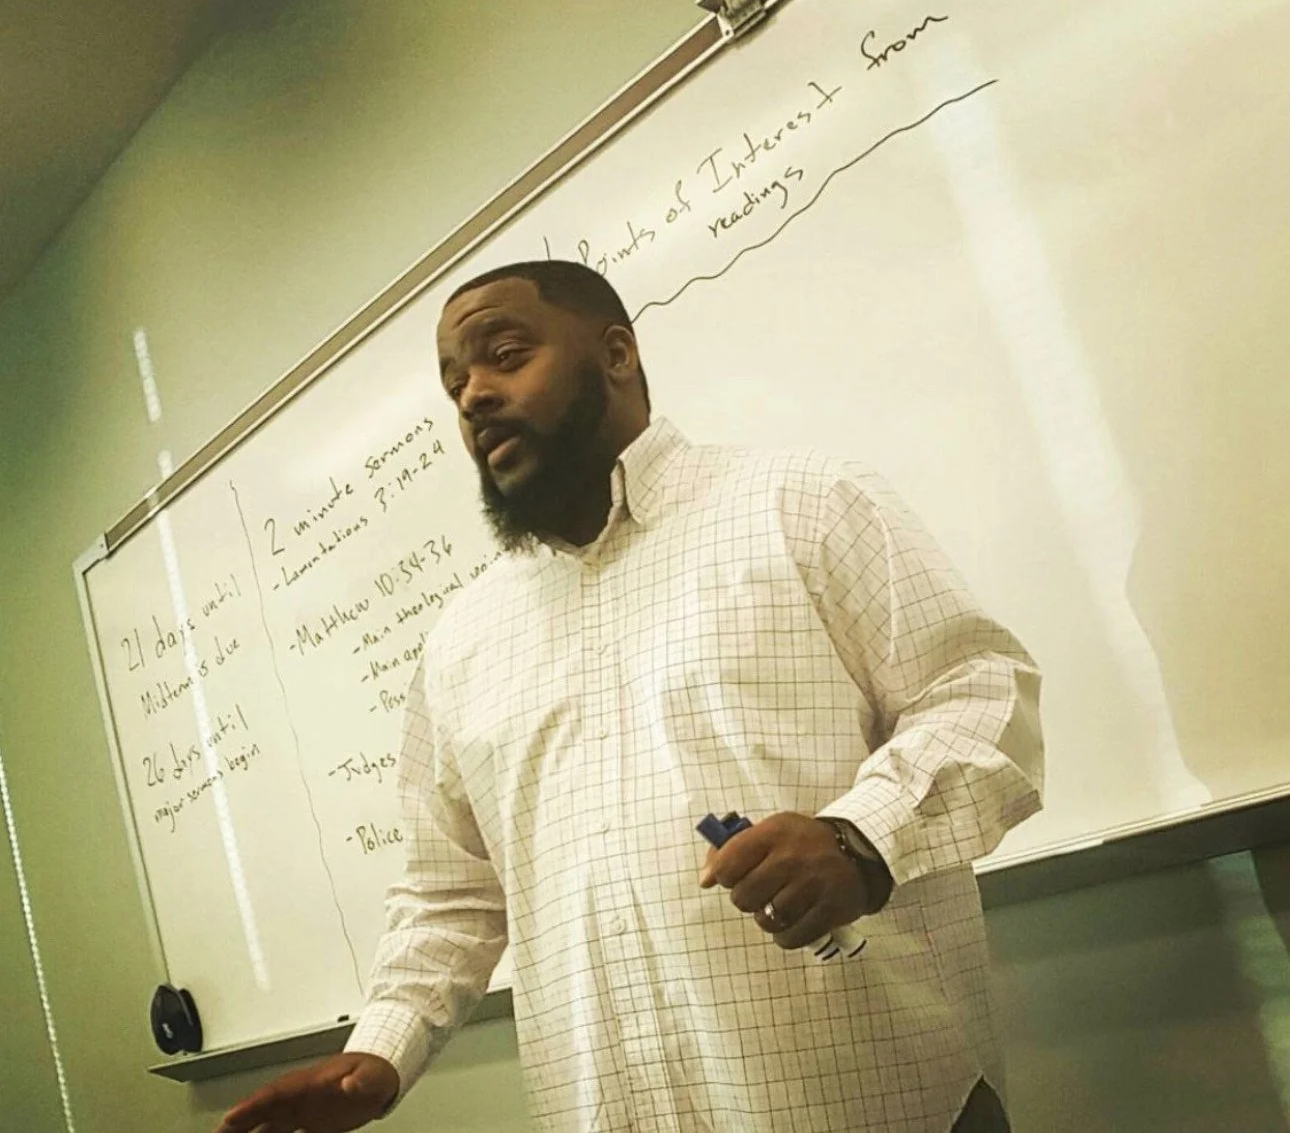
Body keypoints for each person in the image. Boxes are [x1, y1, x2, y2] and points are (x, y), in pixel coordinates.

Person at [216, 260, 1042, 1133]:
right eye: (456, 382)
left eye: (504, 355)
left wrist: (860, 838)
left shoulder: (802, 503)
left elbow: (981, 695)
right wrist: (379, 1052)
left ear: (616, 353)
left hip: (871, 1103)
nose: (474, 397)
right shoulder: (461, 640)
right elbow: (450, 891)